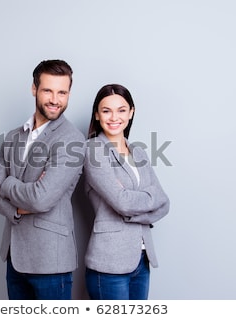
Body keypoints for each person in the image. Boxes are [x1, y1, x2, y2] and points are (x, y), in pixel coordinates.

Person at [0, 59, 85, 300]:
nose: (55, 100)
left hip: (51, 261)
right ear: (34, 89)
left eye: (62, 92)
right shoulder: (13, 137)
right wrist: (16, 209)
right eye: (48, 90)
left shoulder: (71, 140)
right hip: (14, 257)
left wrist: (6, 184)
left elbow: (41, 199)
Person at [83, 84, 170, 300]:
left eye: (121, 110)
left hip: (142, 258)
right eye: (106, 110)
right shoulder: (93, 150)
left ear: (131, 112)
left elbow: (164, 202)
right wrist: (144, 200)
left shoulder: (138, 151)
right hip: (109, 262)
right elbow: (122, 202)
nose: (114, 117)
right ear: (97, 114)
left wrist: (131, 208)